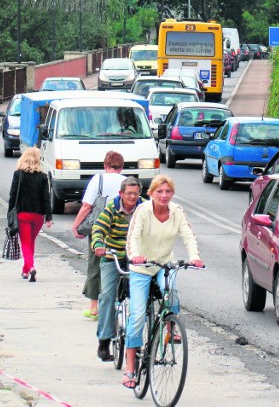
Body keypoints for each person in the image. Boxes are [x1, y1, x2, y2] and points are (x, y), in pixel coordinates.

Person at [122, 175, 205, 389]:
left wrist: (194, 257)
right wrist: (135, 256)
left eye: (168, 192)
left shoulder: (177, 211)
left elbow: (188, 235)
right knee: (138, 315)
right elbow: (133, 237)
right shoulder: (143, 211)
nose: (164, 195)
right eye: (160, 191)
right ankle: (130, 368)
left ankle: (170, 328)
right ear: (151, 193)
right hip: (141, 266)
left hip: (163, 264)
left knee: (172, 295)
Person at [92, 177, 145, 361]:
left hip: (136, 258)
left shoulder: (144, 208)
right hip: (112, 256)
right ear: (121, 194)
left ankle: (137, 341)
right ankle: (104, 340)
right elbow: (98, 228)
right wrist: (99, 243)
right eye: (129, 193)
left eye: (136, 193)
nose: (132, 197)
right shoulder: (111, 209)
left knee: (142, 298)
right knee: (107, 295)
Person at [72, 151, 126, 320]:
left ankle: (94, 308)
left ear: (105, 165)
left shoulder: (98, 179)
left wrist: (76, 225)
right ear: (122, 167)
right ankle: (116, 302)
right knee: (118, 264)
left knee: (95, 264)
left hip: (100, 229)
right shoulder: (127, 182)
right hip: (119, 228)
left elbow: (87, 206)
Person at [8, 147, 53, 282]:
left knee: (26, 243)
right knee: (30, 242)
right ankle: (25, 270)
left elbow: (12, 195)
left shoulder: (18, 175)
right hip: (38, 216)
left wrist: (10, 215)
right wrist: (48, 217)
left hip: (22, 215)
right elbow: (46, 198)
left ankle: (31, 267)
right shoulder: (43, 177)